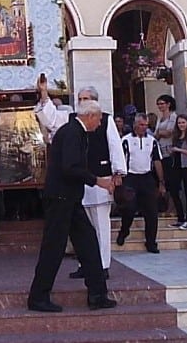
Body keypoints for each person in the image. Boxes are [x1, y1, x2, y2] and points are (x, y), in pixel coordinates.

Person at [28, 100, 117, 313]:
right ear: (90, 116)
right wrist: (98, 181)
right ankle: (38, 297)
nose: (100, 124)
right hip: (61, 199)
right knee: (53, 248)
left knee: (88, 244)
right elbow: (70, 168)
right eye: (99, 119)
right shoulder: (71, 133)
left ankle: (97, 295)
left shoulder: (76, 132)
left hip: (70, 198)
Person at [34, 78, 127, 279]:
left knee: (101, 225)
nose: (82, 102)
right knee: (84, 229)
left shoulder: (106, 120)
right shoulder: (72, 119)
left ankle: (102, 265)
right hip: (78, 180)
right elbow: (50, 118)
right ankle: (86, 265)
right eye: (80, 99)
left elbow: (114, 146)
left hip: (101, 177)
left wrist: (118, 172)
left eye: (86, 99)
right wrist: (44, 94)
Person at [116, 113, 165, 253]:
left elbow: (157, 160)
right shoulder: (126, 140)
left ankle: (151, 242)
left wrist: (161, 182)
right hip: (131, 177)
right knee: (129, 208)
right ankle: (124, 230)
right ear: (135, 125)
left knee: (151, 211)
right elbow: (120, 159)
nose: (144, 127)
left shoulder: (152, 141)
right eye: (141, 125)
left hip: (146, 177)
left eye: (146, 125)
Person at [154, 95, 178, 226]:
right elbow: (157, 133)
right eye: (159, 104)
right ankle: (167, 207)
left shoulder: (173, 116)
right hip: (161, 151)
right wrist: (160, 133)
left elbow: (168, 132)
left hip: (170, 151)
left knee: (171, 180)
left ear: (168, 104)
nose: (160, 106)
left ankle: (172, 208)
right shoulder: (160, 118)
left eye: (162, 103)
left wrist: (160, 133)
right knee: (164, 179)